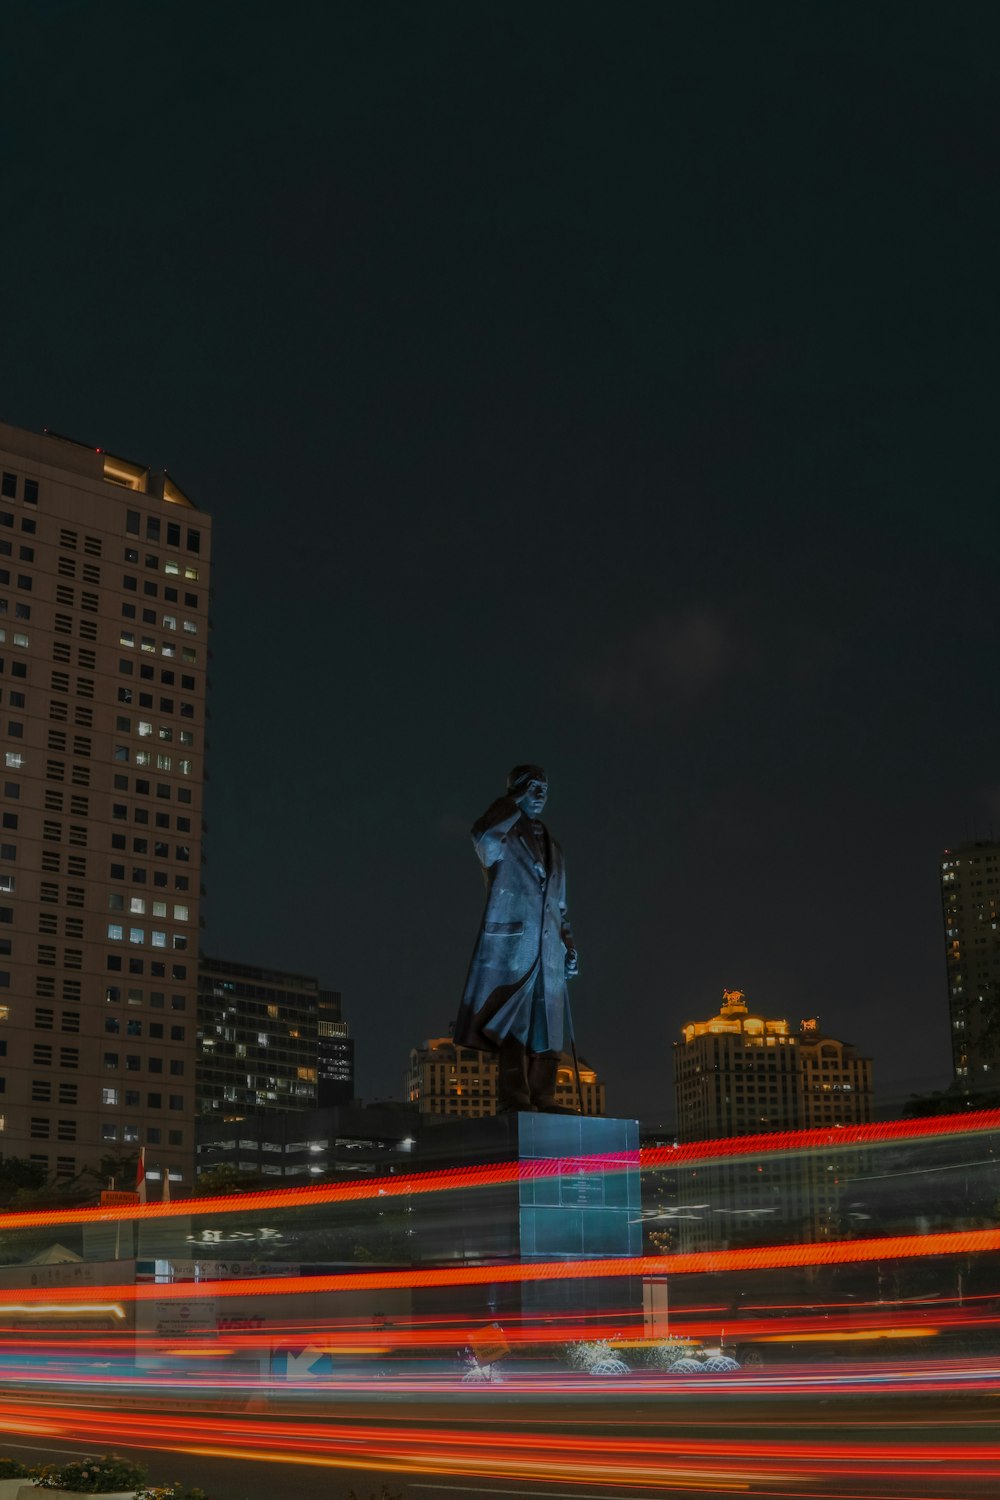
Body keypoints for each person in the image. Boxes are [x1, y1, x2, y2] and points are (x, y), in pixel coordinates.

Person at [454, 765, 579, 1112]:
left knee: (548, 1027)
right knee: (515, 1023)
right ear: (518, 789)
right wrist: (510, 803)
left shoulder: (556, 848)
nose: (540, 793)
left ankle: (544, 1095)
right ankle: (515, 1096)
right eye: (532, 786)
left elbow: (560, 906)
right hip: (514, 946)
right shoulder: (503, 835)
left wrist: (568, 946)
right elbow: (481, 834)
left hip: (549, 950)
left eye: (545, 787)